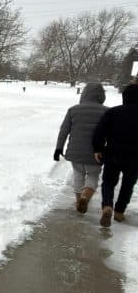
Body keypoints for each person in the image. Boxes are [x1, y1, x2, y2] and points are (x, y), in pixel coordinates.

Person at [54, 83, 107, 213]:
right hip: (96, 153)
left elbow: (64, 130)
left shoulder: (73, 110)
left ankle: (78, 200)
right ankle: (86, 195)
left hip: (75, 152)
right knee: (93, 175)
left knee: (78, 175)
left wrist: (58, 148)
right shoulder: (107, 111)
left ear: (84, 94)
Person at [92, 83, 138, 227]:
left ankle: (107, 206)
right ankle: (119, 211)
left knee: (109, 182)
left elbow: (99, 132)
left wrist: (98, 149)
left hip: (113, 153)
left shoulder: (113, 112)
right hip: (135, 157)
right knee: (128, 184)